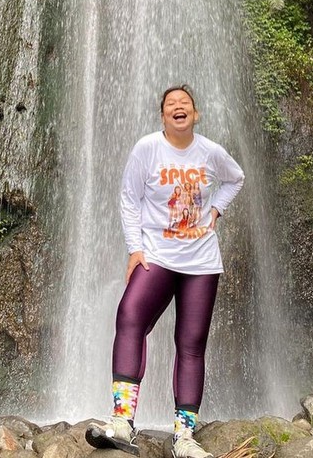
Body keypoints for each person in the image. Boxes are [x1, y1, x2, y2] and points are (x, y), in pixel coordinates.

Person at [85, 85, 245, 458]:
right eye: (171, 104)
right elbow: (129, 198)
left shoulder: (210, 152)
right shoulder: (147, 148)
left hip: (201, 262)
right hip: (156, 255)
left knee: (191, 345)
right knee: (129, 316)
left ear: (195, 114)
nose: (178, 108)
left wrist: (216, 211)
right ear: (162, 116)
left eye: (184, 104)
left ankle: (184, 438)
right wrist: (134, 249)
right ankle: (122, 421)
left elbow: (235, 178)